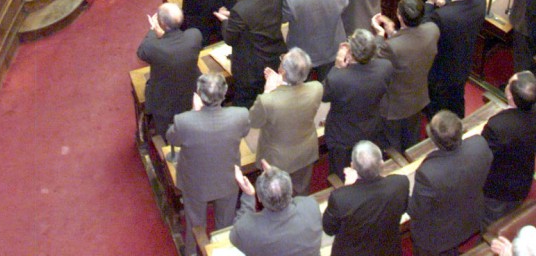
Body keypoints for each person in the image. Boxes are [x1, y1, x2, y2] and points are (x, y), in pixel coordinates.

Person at [167, 74, 251, 255]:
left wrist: (194, 111)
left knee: (195, 224)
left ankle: (192, 251)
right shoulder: (240, 115)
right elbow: (245, 131)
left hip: (195, 182)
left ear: (198, 94)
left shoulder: (184, 121)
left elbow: (171, 138)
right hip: (228, 179)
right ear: (225, 92)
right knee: (225, 224)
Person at [408, 110, 492, 256]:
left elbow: (416, 211)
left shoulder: (428, 173)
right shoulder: (479, 144)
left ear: (433, 139)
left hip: (440, 236)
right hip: (472, 216)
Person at [249, 48, 324, 195]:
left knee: (277, 198)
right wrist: (281, 83)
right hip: (305, 153)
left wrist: (268, 90)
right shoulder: (317, 88)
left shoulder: (267, 100)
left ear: (282, 70)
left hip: (277, 160)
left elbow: (253, 121)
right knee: (301, 193)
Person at [481, 71, 536, 224]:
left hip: (498, 186)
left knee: (492, 223)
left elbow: (484, 155)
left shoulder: (498, 126)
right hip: (523, 176)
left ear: (510, 96)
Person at [373, 0, 439, 152]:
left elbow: (375, 60)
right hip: (418, 98)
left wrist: (380, 35)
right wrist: (394, 33)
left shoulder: (391, 47)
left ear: (399, 16)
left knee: (392, 146)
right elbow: (410, 47)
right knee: (412, 141)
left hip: (395, 105)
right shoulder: (433, 30)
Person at [323, 29, 393, 179]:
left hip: (342, 136)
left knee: (340, 176)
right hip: (371, 128)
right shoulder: (385, 67)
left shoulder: (338, 78)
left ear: (351, 53)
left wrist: (337, 66)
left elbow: (323, 95)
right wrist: (379, 36)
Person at [322, 140, 409, 256]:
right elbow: (403, 208)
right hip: (388, 250)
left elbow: (329, 229)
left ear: (352, 166)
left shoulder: (340, 198)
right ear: (382, 164)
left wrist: (347, 188)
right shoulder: (400, 183)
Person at [216, 0, 285, 107]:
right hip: (274, 57)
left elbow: (230, 38)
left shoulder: (240, 9)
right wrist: (233, 17)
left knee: (244, 101)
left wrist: (225, 21)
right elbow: (257, 14)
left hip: (250, 69)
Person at [424, 0, 486, 117]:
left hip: (441, 70)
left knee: (437, 108)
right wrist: (443, 2)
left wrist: (430, 3)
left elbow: (425, 31)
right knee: (457, 100)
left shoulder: (442, 16)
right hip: (463, 64)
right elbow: (460, 8)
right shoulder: (480, 1)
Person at [136, 2, 201, 135]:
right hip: (190, 92)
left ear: (162, 24)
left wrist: (153, 30)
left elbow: (141, 52)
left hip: (164, 102)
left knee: (166, 132)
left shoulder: (154, 47)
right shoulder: (194, 36)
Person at [229, 164, 322, 256]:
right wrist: (278, 182)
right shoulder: (311, 206)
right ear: (290, 189)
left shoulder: (250, 231)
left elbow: (235, 235)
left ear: (259, 198)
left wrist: (248, 196)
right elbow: (292, 199)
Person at [282, 0, 348, 80]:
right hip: (331, 48)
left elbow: (283, 18)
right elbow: (343, 6)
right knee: (326, 83)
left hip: (302, 52)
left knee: (302, 83)